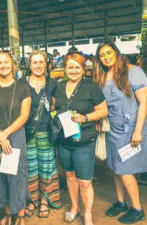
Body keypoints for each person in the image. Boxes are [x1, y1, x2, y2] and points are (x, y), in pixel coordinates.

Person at [93, 39, 147, 224]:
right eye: (102, 55)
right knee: (115, 167)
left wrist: (138, 131)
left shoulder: (133, 71)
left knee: (125, 170)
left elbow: (145, 102)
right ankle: (121, 202)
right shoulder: (104, 75)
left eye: (109, 52)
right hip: (112, 129)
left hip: (130, 129)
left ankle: (137, 208)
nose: (106, 57)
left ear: (116, 52)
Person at [53, 52, 108, 225]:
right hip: (64, 141)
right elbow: (54, 106)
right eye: (70, 67)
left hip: (84, 141)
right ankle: (75, 207)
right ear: (64, 69)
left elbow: (103, 111)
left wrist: (85, 118)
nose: (74, 70)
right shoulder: (59, 86)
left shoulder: (91, 87)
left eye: (77, 67)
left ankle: (88, 214)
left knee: (84, 181)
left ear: (83, 69)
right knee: (70, 176)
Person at [0, 51, 31, 225]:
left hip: (15, 133)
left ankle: (21, 212)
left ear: (13, 64)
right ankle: (8, 211)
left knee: (17, 174)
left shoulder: (23, 86)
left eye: (6, 62)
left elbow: (24, 115)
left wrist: (6, 134)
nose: (3, 65)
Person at [24, 50, 61, 218]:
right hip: (27, 133)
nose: (38, 65)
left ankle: (45, 200)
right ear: (29, 65)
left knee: (46, 167)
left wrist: (53, 106)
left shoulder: (53, 84)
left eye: (41, 62)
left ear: (47, 64)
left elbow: (59, 104)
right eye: (34, 62)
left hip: (46, 132)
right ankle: (32, 200)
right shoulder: (22, 83)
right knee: (30, 168)